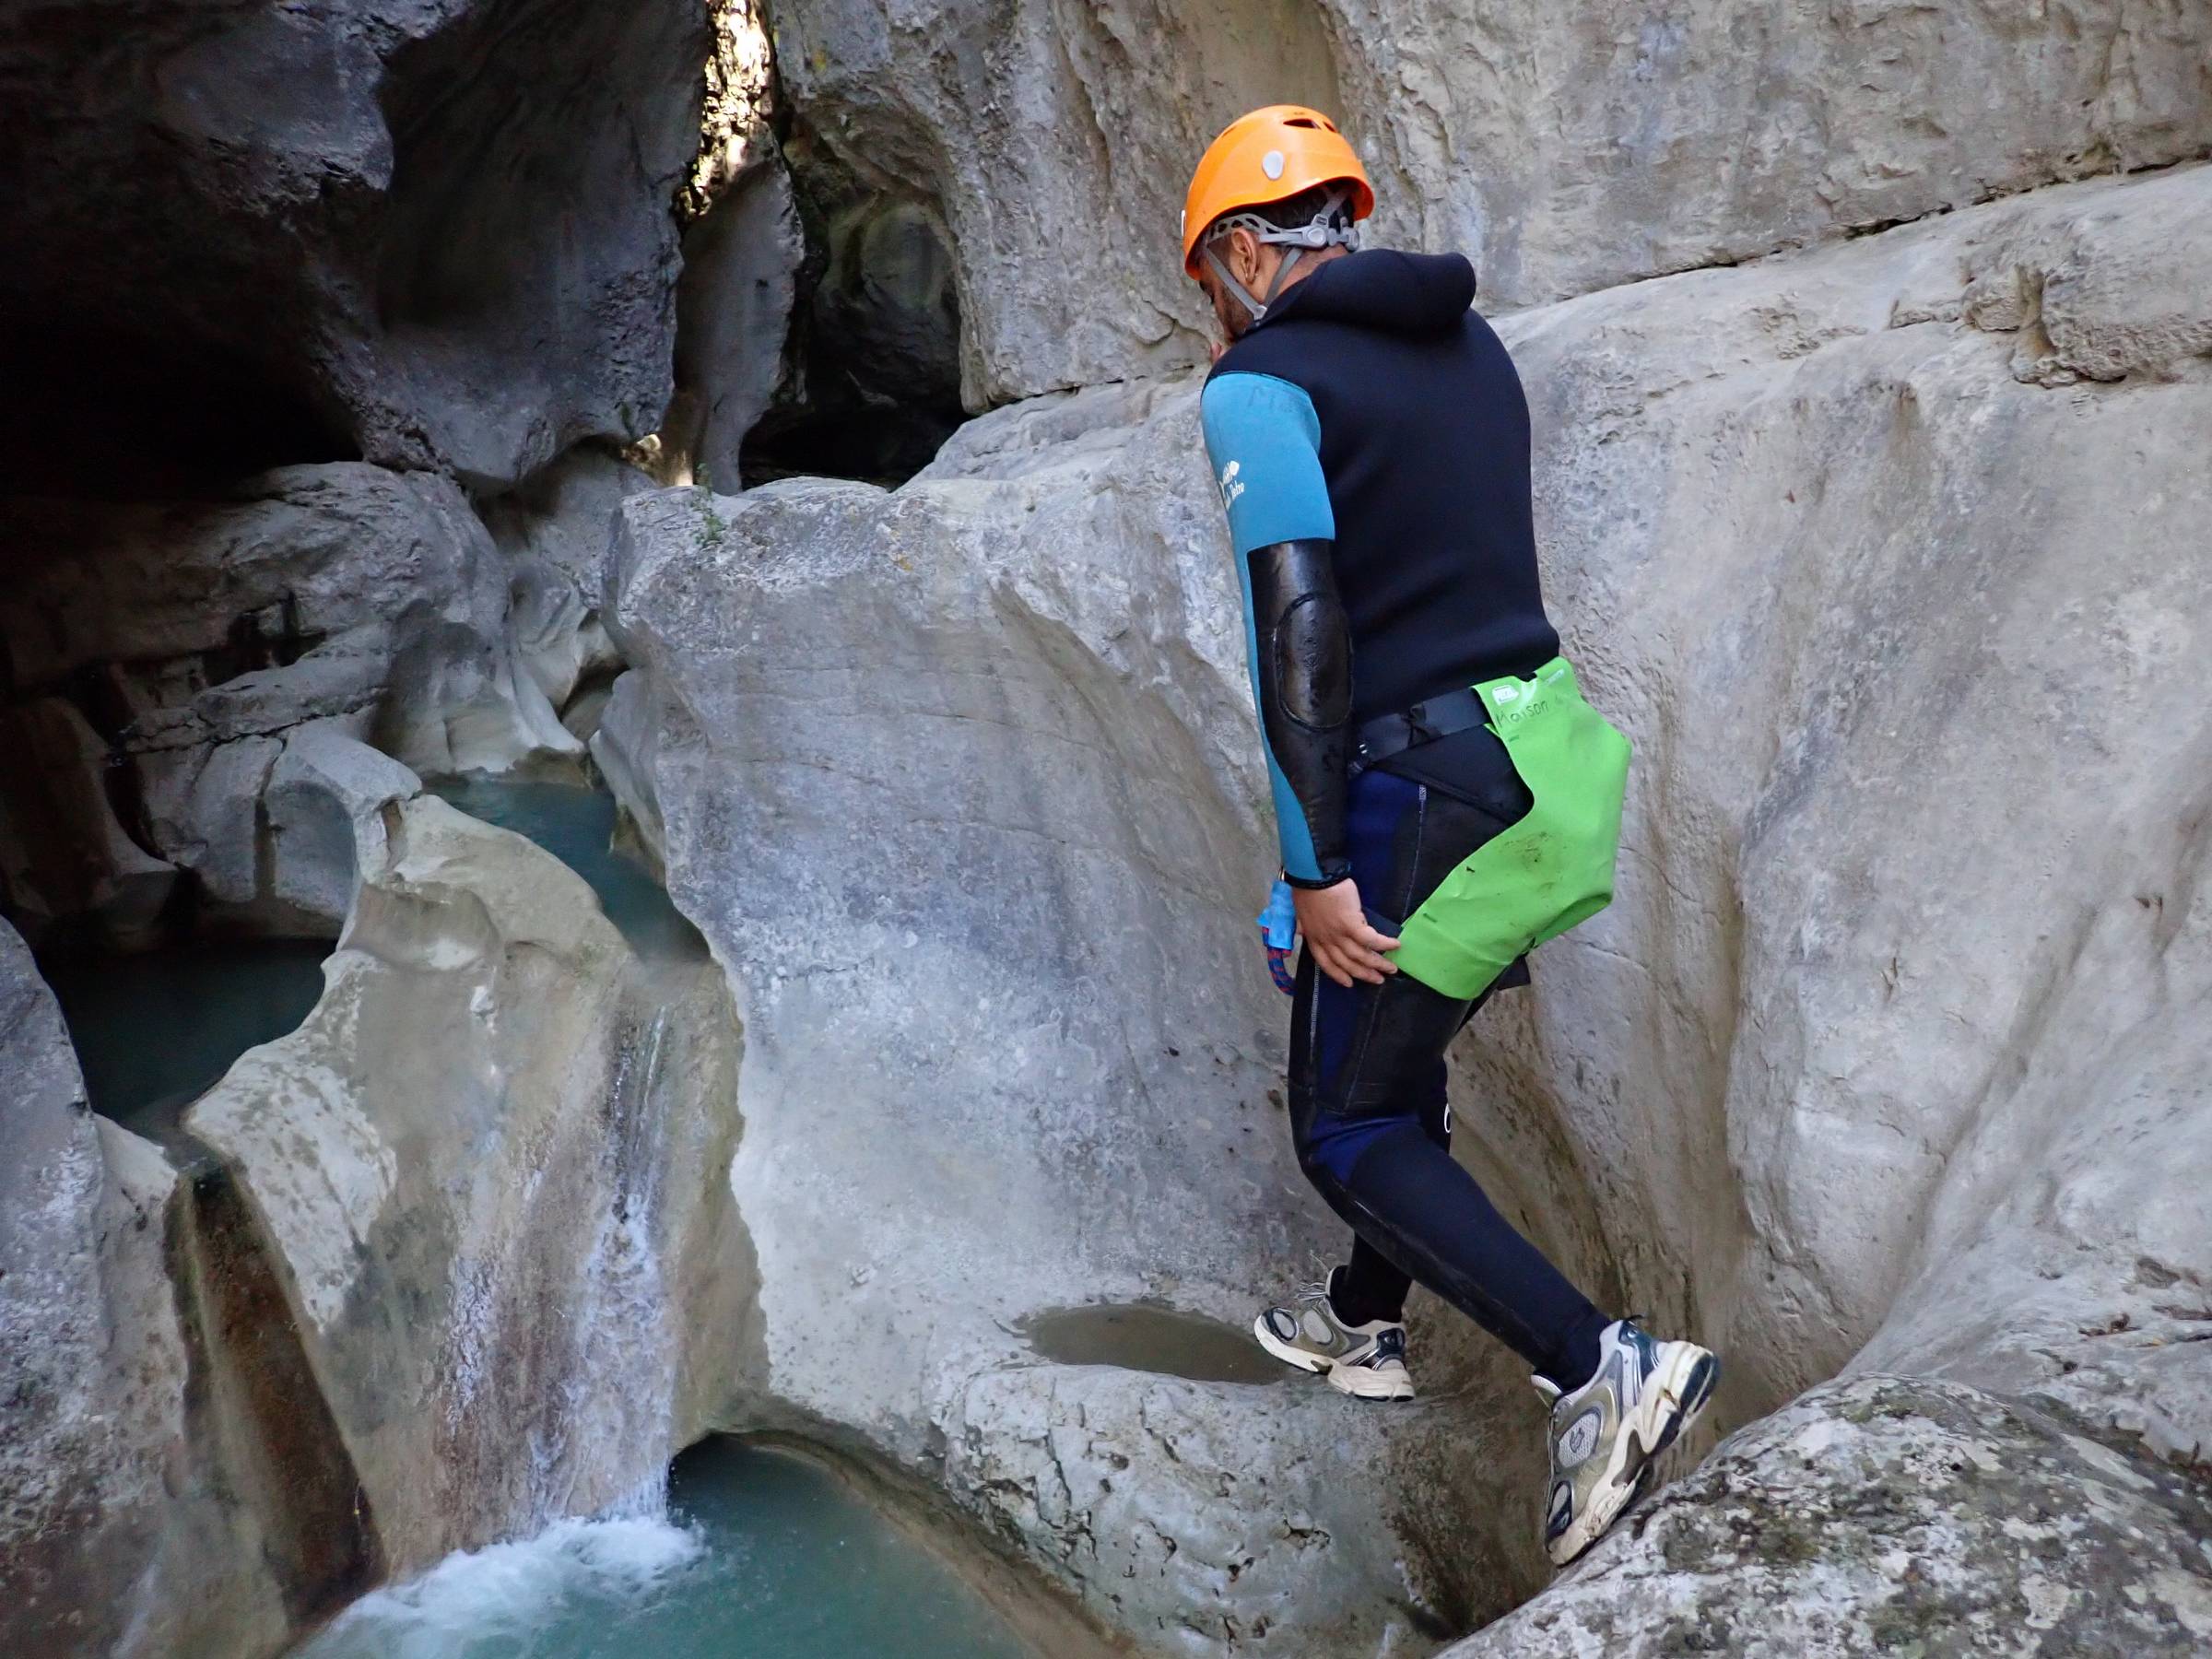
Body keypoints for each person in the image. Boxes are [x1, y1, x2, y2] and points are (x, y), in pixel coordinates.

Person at [1182, 105, 1718, 1567]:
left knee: (1345, 1128)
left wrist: (1314, 867)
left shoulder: (1258, 386)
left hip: (1423, 784)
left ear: (1245, 250)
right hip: (1542, 765)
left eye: (1212, 274)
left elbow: (1304, 631)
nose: (1215, 304)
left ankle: (1600, 1366)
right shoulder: (1472, 347)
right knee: (1391, 1053)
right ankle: (1363, 1323)